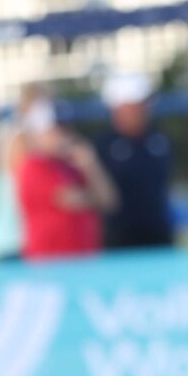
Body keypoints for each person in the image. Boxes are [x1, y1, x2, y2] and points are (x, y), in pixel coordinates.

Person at [15, 100, 118, 263]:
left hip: (84, 259)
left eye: (65, 128)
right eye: (56, 129)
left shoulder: (73, 164)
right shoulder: (33, 166)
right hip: (50, 263)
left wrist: (92, 166)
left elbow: (109, 200)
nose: (64, 135)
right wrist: (94, 198)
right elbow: (71, 200)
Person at [96, 70, 179, 252]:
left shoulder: (159, 139)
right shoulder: (104, 146)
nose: (142, 110)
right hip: (120, 242)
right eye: (136, 105)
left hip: (159, 237)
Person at [0, 85, 47, 263]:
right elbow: (23, 176)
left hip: (14, 236)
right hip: (13, 237)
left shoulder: (12, 132)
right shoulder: (17, 135)